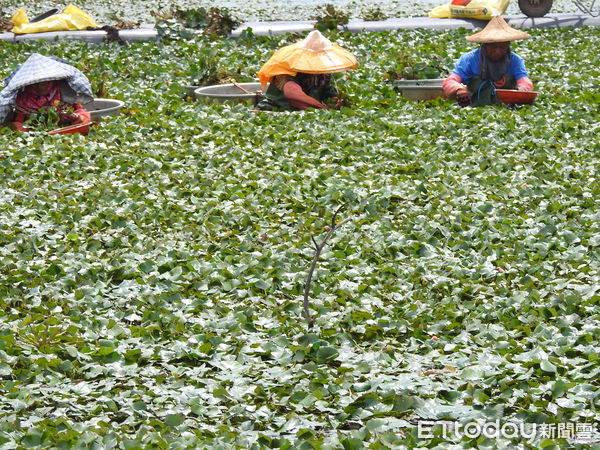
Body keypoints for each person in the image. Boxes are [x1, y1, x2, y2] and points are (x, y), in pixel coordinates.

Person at [442, 16, 534, 107]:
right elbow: (450, 81)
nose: (497, 51)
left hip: (506, 110)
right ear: (484, 45)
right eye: (493, 47)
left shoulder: (515, 60)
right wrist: (459, 89)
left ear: (508, 46)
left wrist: (522, 89)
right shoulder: (469, 59)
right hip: (474, 110)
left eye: (502, 47)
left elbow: (524, 80)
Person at [256, 30, 358, 111]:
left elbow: (329, 93)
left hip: (308, 113)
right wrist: (321, 107)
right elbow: (292, 93)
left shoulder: (324, 72)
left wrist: (336, 101)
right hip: (277, 109)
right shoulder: (287, 70)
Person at [0, 53, 93, 131]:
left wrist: (78, 118)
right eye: (34, 84)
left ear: (51, 81)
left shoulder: (65, 93)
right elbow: (17, 123)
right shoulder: (22, 100)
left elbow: (81, 112)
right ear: (28, 84)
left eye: (43, 83)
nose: (39, 87)